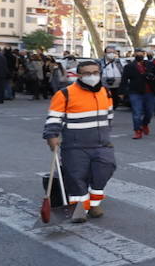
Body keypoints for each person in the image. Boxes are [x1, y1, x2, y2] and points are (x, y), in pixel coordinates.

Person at [44, 58, 117, 224]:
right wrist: (51, 136)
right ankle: (79, 209)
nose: (92, 76)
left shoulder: (105, 91)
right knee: (77, 177)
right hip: (75, 146)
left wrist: (107, 135)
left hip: (102, 144)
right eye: (87, 73)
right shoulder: (65, 94)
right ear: (79, 75)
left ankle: (93, 203)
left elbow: (109, 116)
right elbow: (54, 118)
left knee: (104, 171)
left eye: (95, 72)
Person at [121, 48, 155, 138]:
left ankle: (145, 124)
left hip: (150, 92)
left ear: (144, 54)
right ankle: (137, 130)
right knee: (137, 112)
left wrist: (154, 77)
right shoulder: (129, 66)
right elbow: (124, 80)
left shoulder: (150, 64)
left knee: (149, 112)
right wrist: (122, 92)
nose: (139, 55)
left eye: (141, 54)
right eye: (137, 54)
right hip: (135, 92)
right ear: (134, 55)